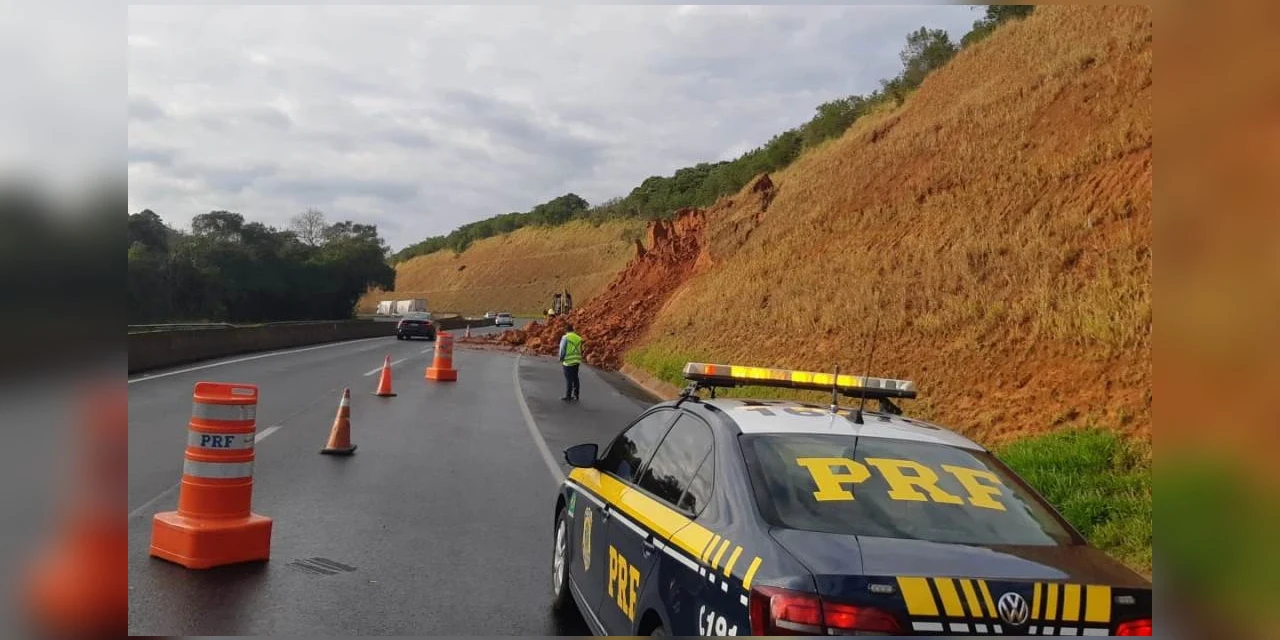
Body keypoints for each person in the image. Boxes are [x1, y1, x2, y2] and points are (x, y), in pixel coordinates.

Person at [558, 324, 584, 401]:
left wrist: (561, 358)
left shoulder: (565, 338)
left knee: (569, 379)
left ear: (566, 330)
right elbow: (582, 349)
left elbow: (562, 349)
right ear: (573, 330)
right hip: (577, 360)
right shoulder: (579, 338)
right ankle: (576, 395)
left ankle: (568, 395)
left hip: (568, 361)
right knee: (575, 378)